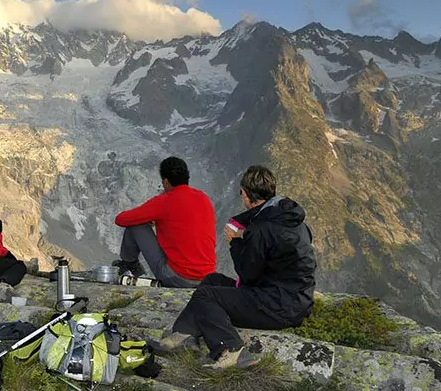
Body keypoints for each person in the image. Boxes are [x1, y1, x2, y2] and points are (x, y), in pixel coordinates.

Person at [162, 165, 317, 369]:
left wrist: (235, 241)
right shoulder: (290, 219)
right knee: (212, 280)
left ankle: (231, 351)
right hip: (293, 298)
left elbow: (247, 275)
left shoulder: (261, 229)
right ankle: (183, 335)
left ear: (245, 194)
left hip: (279, 306)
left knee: (205, 296)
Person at [112, 156, 216, 288]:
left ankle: (129, 265)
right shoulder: (203, 198)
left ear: (166, 181)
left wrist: (155, 209)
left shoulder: (164, 202)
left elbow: (121, 219)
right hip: (207, 278)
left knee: (136, 225)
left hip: (178, 278)